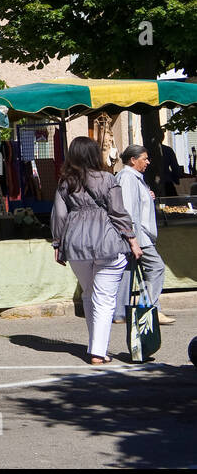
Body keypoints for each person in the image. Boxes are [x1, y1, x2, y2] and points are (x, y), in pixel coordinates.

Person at [51, 136, 143, 365]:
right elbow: (118, 212)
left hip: (75, 244)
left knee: (90, 295)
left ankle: (96, 347)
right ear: (94, 154)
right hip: (107, 243)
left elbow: (59, 215)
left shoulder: (65, 183)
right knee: (104, 298)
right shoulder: (107, 179)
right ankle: (98, 352)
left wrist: (57, 244)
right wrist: (132, 240)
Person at [113, 146, 175, 326]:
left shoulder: (134, 179)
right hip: (138, 236)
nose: (148, 162)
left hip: (137, 235)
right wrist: (133, 240)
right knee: (157, 267)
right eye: (145, 159)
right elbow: (127, 210)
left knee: (128, 271)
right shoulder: (127, 178)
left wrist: (147, 196)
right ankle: (150, 309)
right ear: (133, 160)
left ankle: (119, 312)